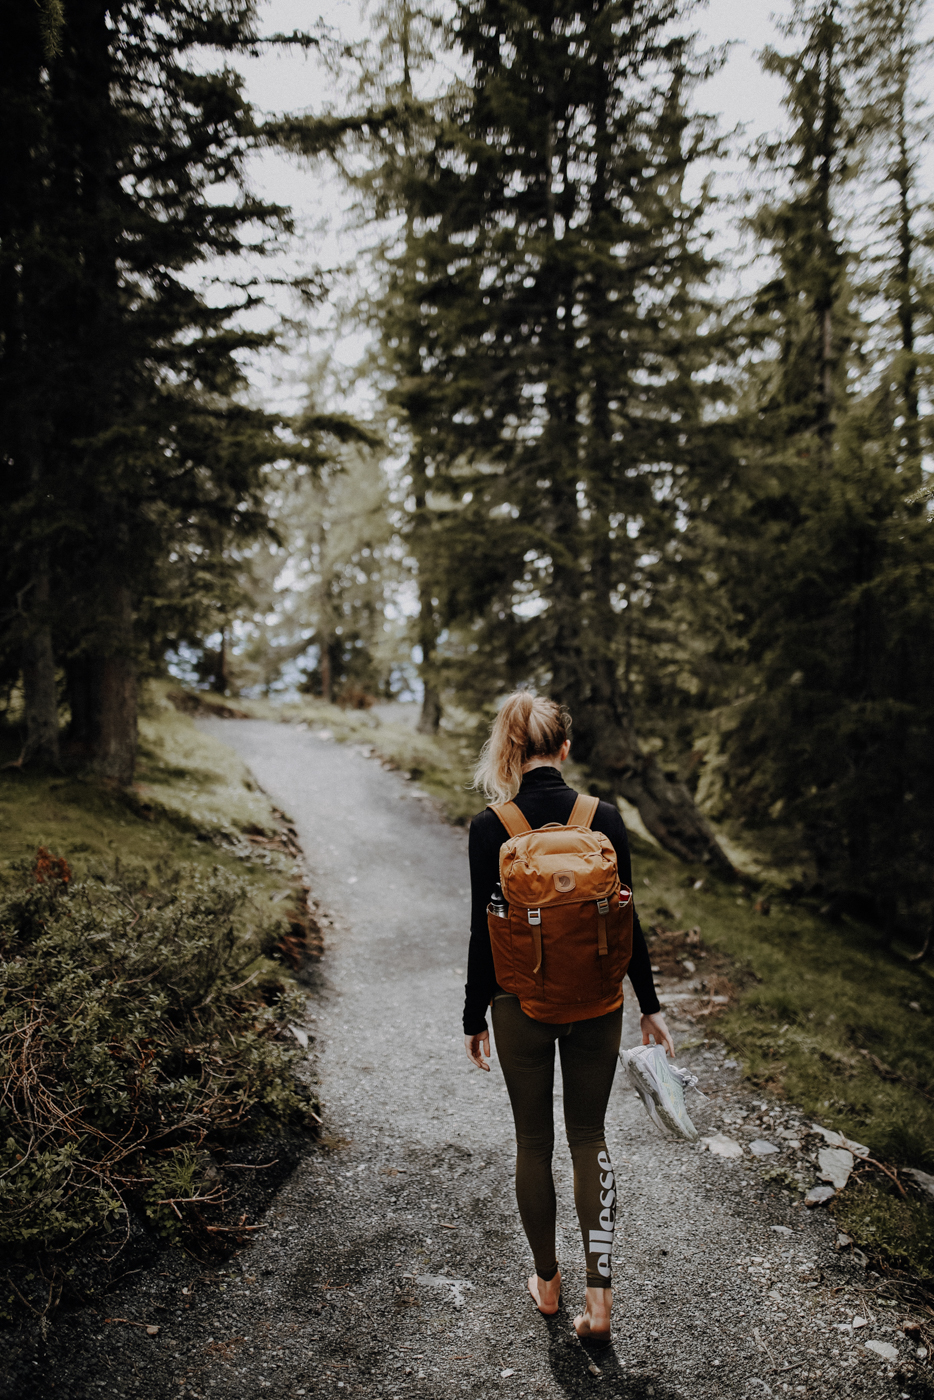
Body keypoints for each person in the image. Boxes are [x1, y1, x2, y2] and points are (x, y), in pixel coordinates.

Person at [462, 691, 673, 1343]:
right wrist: (650, 1004)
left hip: (518, 1005)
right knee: (589, 1138)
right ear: (564, 749)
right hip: (598, 1005)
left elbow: (480, 931)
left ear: (510, 751)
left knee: (533, 1142)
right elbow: (628, 919)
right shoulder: (602, 816)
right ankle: (601, 1303)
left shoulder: (491, 826)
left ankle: (548, 1287)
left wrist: (474, 1016)